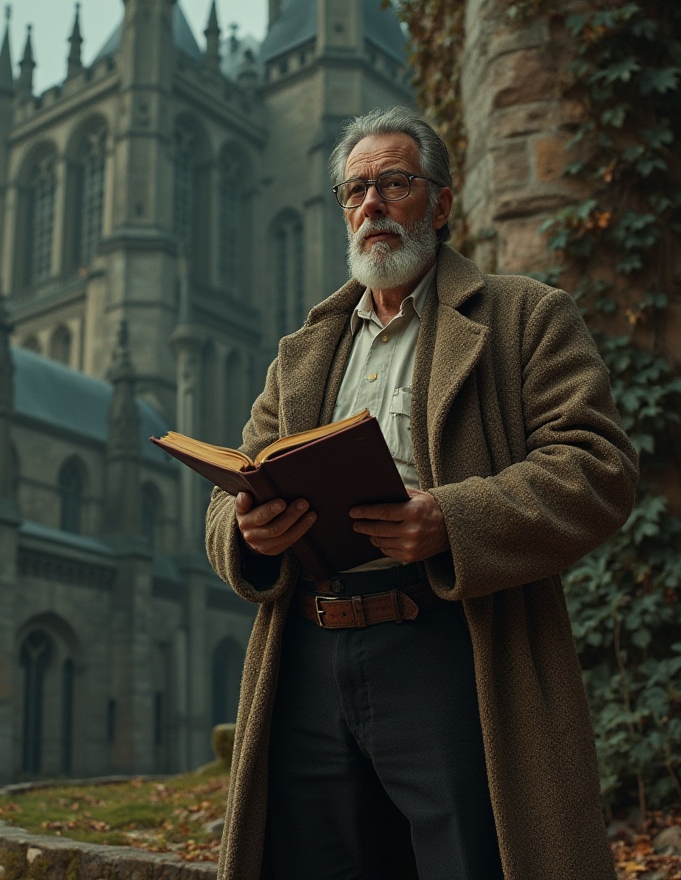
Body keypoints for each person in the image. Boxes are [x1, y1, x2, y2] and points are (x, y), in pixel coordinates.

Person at [204, 106, 638, 880]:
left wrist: (453, 519)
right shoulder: (302, 352)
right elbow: (234, 479)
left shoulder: (524, 316)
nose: (371, 204)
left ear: (439, 203)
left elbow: (595, 466)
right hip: (303, 650)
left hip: (450, 640)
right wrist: (245, 531)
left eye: (395, 183)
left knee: (471, 860)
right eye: (355, 190)